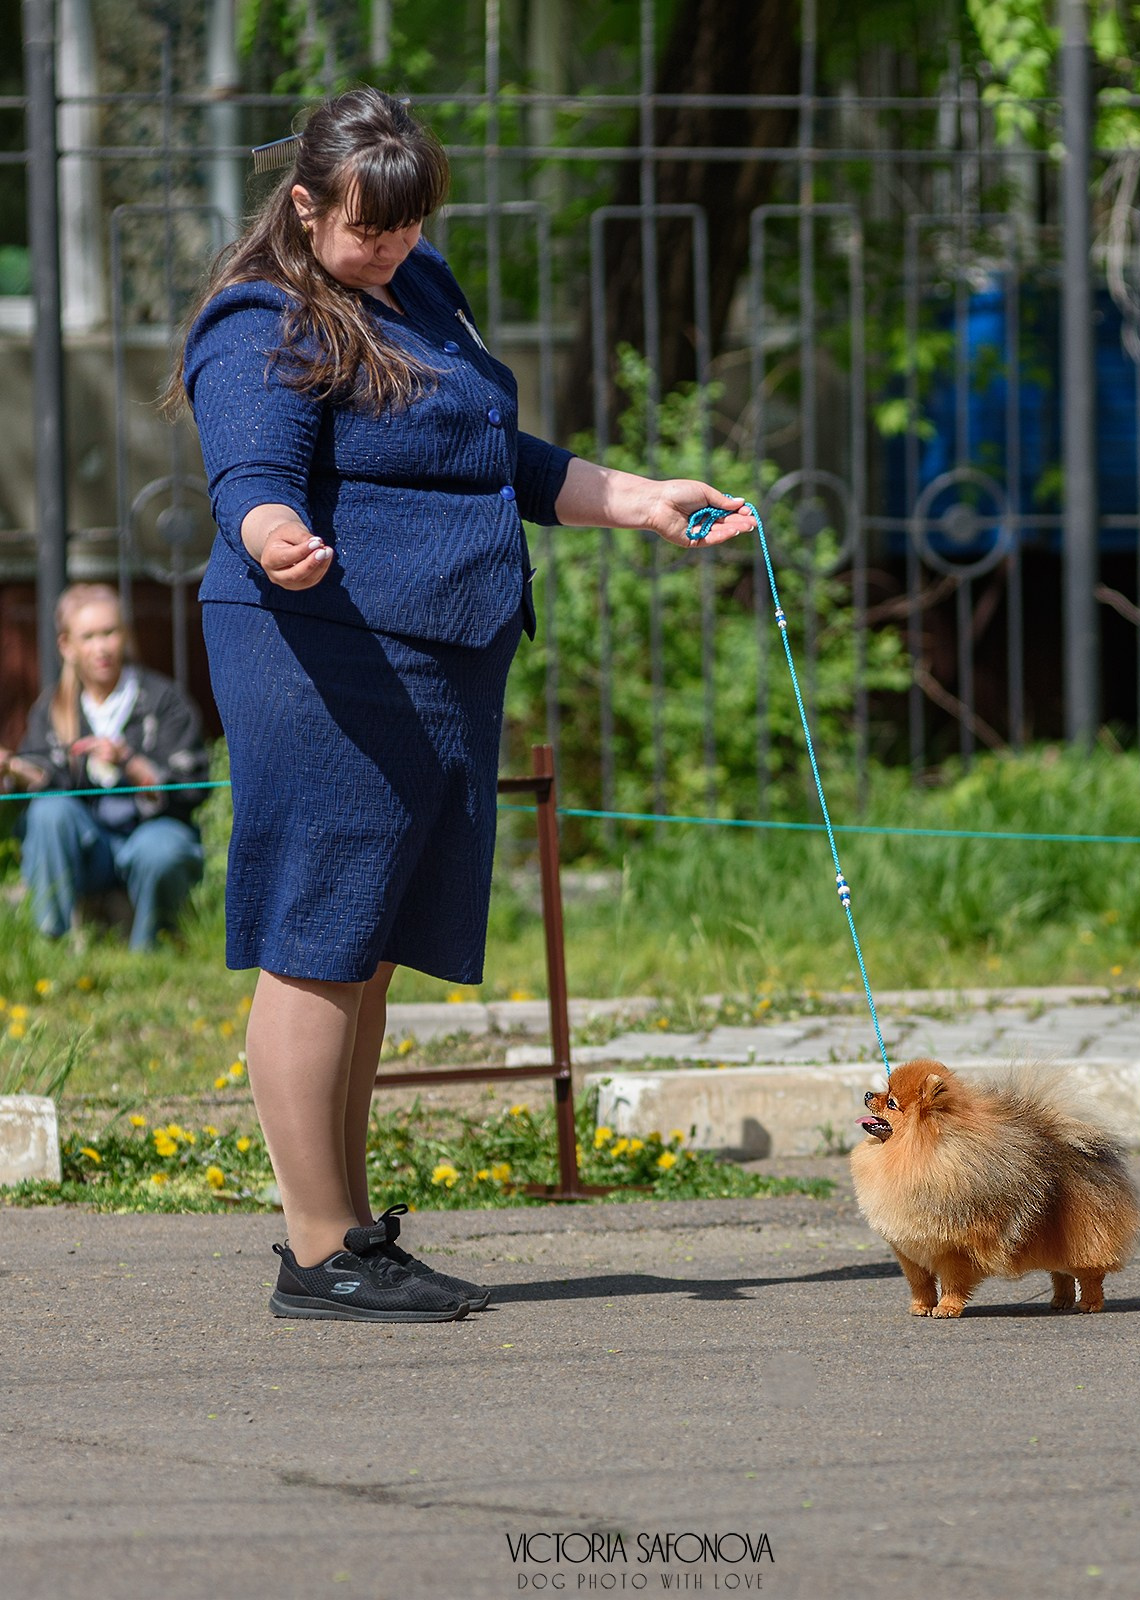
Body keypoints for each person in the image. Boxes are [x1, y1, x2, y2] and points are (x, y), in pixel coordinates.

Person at [171, 86, 751, 1325]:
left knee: (366, 946)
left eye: (409, 223)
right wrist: (277, 539)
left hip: (430, 654)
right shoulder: (261, 318)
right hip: (319, 646)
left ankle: (350, 1232)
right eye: (367, 228)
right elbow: (253, 476)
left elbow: (503, 458)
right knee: (318, 935)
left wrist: (638, 497)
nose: (389, 247)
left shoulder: (416, 290)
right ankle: (316, 1251)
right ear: (305, 203)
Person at [0, 584, 207, 950]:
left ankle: (150, 953)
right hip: (90, 847)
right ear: (67, 646)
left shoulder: (163, 700)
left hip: (150, 837)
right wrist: (12, 766)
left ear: (124, 635)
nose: (102, 648)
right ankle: (52, 944)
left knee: (161, 850)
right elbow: (48, 774)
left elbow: (190, 785)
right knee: (49, 814)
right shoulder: (52, 708)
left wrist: (128, 761)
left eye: (109, 633)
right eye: (89, 637)